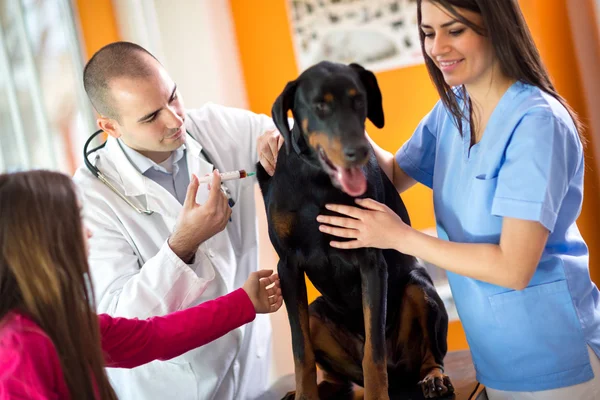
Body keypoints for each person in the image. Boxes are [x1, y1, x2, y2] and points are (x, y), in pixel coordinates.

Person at [312, 1, 600, 399]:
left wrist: (399, 237)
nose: (437, 47)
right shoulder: (454, 109)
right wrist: (335, 120)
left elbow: (514, 268)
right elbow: (394, 173)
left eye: (455, 30)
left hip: (557, 361)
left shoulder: (537, 123)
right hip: (496, 362)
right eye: (429, 33)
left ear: (495, 25)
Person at [73, 41, 282, 400]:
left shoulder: (217, 127)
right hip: (170, 387)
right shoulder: (89, 199)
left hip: (250, 369)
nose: (175, 119)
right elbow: (121, 326)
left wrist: (279, 140)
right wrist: (182, 244)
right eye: (151, 116)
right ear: (111, 126)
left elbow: (300, 137)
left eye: (172, 97)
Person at [0, 170, 283, 400]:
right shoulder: (19, 347)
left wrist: (243, 302)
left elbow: (155, 336)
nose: (88, 232)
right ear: (40, 243)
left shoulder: (64, 323)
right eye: (75, 221)